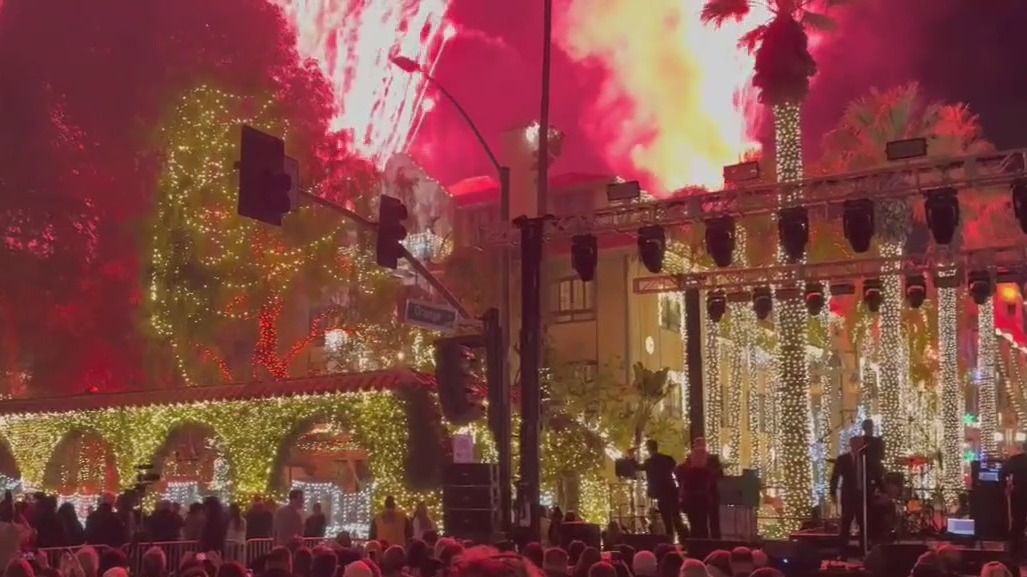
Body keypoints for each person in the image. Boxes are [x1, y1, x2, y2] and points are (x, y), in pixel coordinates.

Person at [636, 440, 687, 543]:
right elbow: (674, 466)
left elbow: (638, 467)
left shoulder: (649, 462)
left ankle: (670, 540)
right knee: (676, 517)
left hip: (661, 493)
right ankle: (684, 540)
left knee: (666, 518)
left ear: (649, 449)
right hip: (672, 490)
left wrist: (630, 459)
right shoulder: (667, 459)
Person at [830, 436, 870, 555]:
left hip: (862, 495)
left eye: (859, 443)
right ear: (851, 444)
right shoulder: (843, 459)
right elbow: (835, 476)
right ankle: (842, 552)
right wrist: (832, 492)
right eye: (855, 443)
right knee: (846, 523)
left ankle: (864, 550)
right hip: (849, 495)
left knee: (863, 524)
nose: (857, 445)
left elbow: (873, 475)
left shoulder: (865, 459)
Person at [674, 441, 717, 539]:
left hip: (691, 500)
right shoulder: (708, 473)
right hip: (703, 500)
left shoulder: (687, 471)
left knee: (694, 524)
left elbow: (684, 486)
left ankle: (694, 543)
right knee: (703, 524)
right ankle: (703, 544)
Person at [1005, 441, 1027, 563]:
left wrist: (1006, 486)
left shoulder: (1014, 461)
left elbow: (1002, 472)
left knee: (1018, 523)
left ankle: (1016, 554)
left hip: (1018, 496)